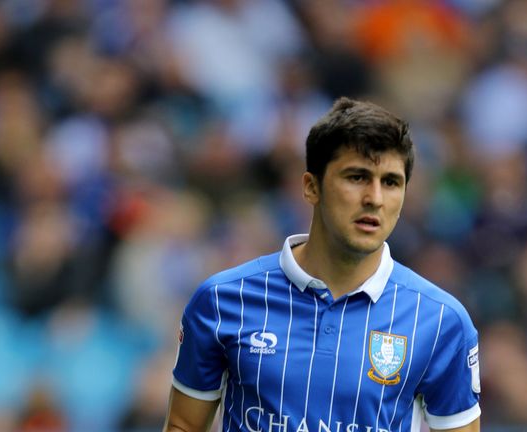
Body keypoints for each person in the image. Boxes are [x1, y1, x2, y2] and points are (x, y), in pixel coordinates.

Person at [163, 97, 481, 432]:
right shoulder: (222, 300)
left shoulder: (441, 321)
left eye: (390, 182)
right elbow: (183, 425)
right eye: (357, 177)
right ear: (312, 187)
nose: (374, 198)